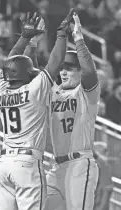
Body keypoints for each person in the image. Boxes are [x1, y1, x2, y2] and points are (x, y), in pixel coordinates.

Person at [0, 9, 74, 210]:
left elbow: (10, 62)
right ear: (27, 74)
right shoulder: (33, 90)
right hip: (26, 163)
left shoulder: (1, 88)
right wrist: (62, 35)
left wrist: (25, 38)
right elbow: (54, 64)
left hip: (3, 163)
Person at [42, 13, 100, 210]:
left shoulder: (86, 93)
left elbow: (90, 71)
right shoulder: (54, 91)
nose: (64, 72)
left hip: (80, 164)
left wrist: (78, 39)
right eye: (63, 68)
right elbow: (44, 71)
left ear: (79, 71)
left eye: (70, 68)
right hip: (57, 167)